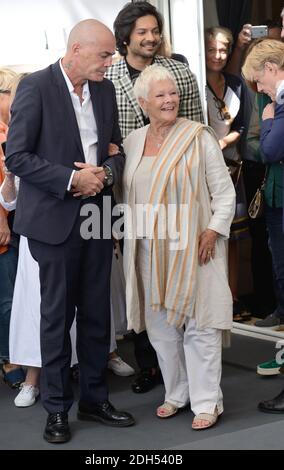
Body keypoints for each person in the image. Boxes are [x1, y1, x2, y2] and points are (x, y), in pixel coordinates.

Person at [6, 19, 135, 443]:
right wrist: (70, 179)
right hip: (53, 220)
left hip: (98, 216)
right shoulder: (35, 86)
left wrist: (106, 176)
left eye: (112, 54)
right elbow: (18, 157)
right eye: (104, 55)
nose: (110, 62)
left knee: (99, 315)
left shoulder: (106, 90)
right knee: (56, 319)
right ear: (76, 50)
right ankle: (57, 409)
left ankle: (95, 401)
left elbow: (116, 148)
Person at [121, 64, 235, 429]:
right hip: (148, 250)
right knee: (161, 329)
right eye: (160, 95)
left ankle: (207, 402)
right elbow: (126, 194)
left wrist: (213, 231)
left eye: (173, 94)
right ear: (143, 102)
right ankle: (177, 392)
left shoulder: (198, 137)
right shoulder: (133, 141)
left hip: (195, 247)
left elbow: (225, 193)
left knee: (199, 325)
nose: (170, 100)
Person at [106, 0, 204, 394]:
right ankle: (152, 367)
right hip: (134, 194)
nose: (150, 38)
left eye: (154, 30)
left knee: (181, 278)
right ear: (125, 36)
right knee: (144, 281)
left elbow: (198, 129)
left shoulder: (179, 70)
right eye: (142, 31)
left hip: (180, 195)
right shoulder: (109, 77)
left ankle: (189, 369)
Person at [242, 37, 284, 413]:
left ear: (270, 68)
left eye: (259, 80)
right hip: (275, 198)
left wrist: (270, 125)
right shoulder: (272, 99)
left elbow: (269, 149)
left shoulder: (277, 103)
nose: (258, 89)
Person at [0, 68, 25, 389]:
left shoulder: (3, 129)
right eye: (12, 92)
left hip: (0, 223)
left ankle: (14, 359)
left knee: (7, 295)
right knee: (6, 296)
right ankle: (11, 361)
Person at [205, 27, 249, 321]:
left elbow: (243, 126)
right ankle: (214, 300)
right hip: (206, 173)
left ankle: (232, 299)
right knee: (210, 236)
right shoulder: (194, 83)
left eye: (223, 50)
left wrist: (225, 142)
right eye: (211, 50)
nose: (218, 56)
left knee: (234, 239)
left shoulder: (235, 83)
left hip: (233, 169)